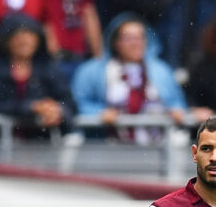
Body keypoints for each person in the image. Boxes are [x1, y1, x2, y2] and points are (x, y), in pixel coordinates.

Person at [71, 13, 189, 144]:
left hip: (157, 146)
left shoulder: (161, 70)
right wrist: (99, 113)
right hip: (111, 147)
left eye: (140, 37)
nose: (135, 43)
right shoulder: (92, 70)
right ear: (116, 42)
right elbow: (78, 103)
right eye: (128, 38)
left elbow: (176, 102)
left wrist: (178, 111)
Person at [0, 13, 76, 138]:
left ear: (38, 39)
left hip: (37, 146)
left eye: (29, 35)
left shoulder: (49, 69)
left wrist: (57, 110)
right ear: (5, 41)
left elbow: (68, 102)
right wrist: (30, 108)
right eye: (17, 35)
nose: (24, 41)